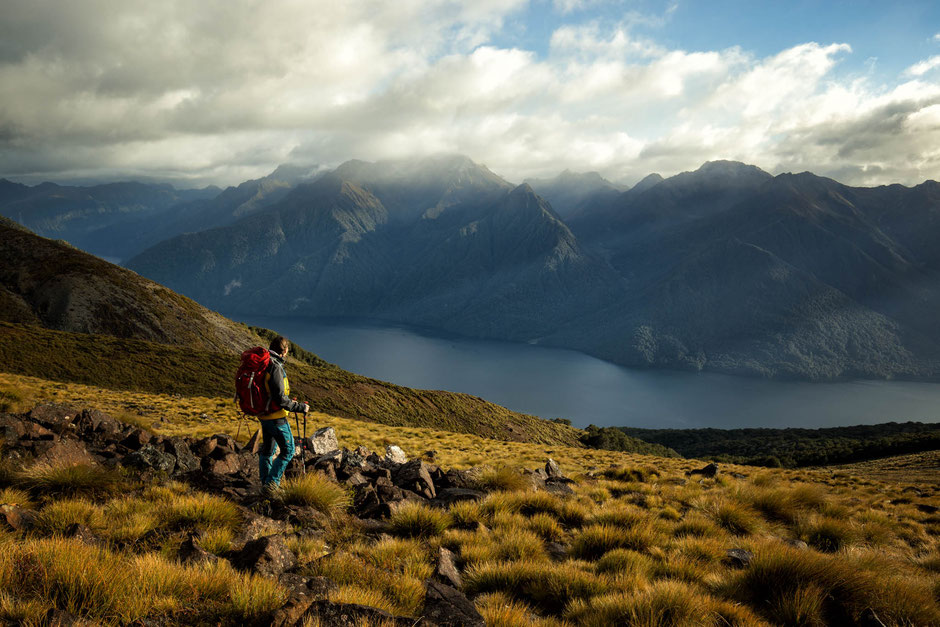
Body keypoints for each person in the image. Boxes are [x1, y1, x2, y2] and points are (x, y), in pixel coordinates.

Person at [258, 336, 309, 492]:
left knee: (268, 450)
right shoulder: (275, 367)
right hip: (276, 418)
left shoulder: (264, 362)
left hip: (264, 416)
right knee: (288, 451)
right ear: (285, 351)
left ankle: (265, 483)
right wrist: (300, 407)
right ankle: (271, 486)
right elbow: (280, 399)